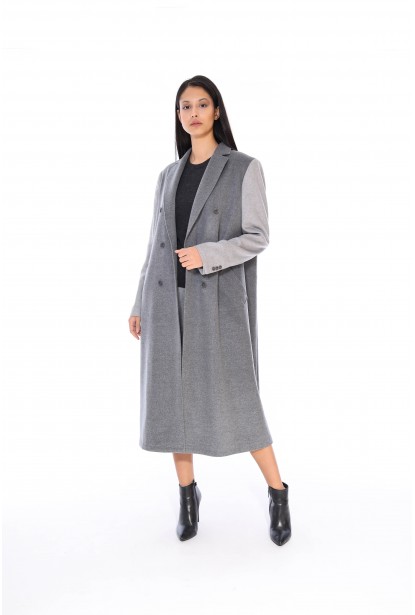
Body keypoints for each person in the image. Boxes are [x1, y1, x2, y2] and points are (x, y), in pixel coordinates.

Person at [128, 75, 291, 546]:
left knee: (240, 397)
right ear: (178, 116)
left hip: (216, 302)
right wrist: (139, 302)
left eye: (202, 104)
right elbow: (155, 246)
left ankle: (278, 493)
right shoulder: (168, 175)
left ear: (217, 110)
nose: (193, 113)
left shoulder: (243, 168)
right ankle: (187, 496)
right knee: (171, 403)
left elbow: (258, 236)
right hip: (165, 302)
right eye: (185, 106)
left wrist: (207, 254)